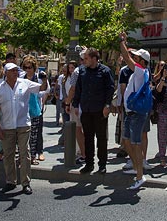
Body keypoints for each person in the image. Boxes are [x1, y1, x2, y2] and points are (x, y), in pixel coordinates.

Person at [0, 63, 46, 194]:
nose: (15, 73)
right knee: (9, 154)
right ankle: (10, 181)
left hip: (23, 124)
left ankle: (25, 182)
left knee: (24, 153)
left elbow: (41, 88)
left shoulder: (25, 83)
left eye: (16, 70)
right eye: (12, 71)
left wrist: (44, 79)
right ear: (6, 73)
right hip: (7, 126)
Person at [72, 47, 114, 175]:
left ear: (94, 59)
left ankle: (102, 164)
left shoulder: (105, 71)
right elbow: (79, 89)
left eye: (86, 58)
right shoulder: (82, 71)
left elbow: (110, 89)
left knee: (101, 138)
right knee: (88, 138)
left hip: (100, 110)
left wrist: (107, 105)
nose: (84, 61)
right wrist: (75, 104)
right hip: (86, 109)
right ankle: (89, 164)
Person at [118, 34, 152, 190]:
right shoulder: (139, 72)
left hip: (136, 114)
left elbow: (125, 56)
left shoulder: (140, 70)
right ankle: (138, 169)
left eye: (137, 57)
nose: (134, 58)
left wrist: (122, 41)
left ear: (142, 62)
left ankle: (139, 175)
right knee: (126, 141)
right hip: (130, 112)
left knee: (136, 144)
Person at [22, 56, 51, 164]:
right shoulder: (21, 77)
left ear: (34, 68)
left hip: (35, 109)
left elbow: (46, 90)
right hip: (23, 110)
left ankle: (34, 155)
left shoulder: (38, 78)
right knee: (23, 135)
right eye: (25, 67)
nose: (27, 70)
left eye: (29, 67)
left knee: (35, 134)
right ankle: (24, 156)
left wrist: (44, 80)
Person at [64, 59, 86, 163]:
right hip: (88, 105)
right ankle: (84, 153)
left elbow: (72, 90)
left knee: (78, 129)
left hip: (77, 105)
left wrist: (67, 103)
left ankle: (83, 154)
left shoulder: (77, 72)